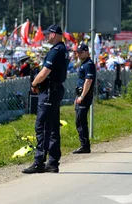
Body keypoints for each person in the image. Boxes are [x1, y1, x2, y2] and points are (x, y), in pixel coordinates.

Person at [22, 25, 69, 174]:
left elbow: (44, 72)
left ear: (54, 35)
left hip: (49, 91)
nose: (47, 36)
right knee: (53, 126)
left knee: (42, 126)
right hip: (55, 90)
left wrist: (34, 83)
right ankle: (53, 162)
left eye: (49, 34)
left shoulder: (56, 51)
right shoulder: (62, 49)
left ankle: (39, 161)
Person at [73, 43, 96, 154]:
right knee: (79, 120)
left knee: (81, 121)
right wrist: (77, 96)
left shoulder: (88, 64)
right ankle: (83, 144)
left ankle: (85, 145)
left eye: (81, 52)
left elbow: (88, 81)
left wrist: (82, 96)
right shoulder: (84, 64)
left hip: (84, 96)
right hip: (80, 95)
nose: (79, 54)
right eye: (78, 52)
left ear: (87, 52)